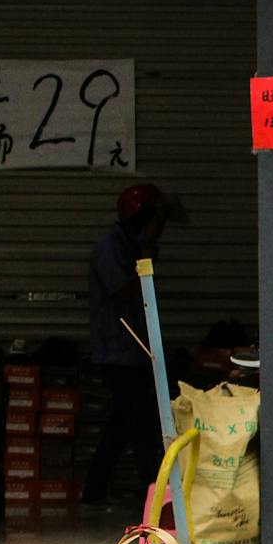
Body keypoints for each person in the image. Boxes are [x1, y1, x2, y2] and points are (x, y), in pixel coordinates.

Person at [82, 183, 169, 505]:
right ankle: (154, 490)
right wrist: (147, 264)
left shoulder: (130, 245)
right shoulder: (112, 246)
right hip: (117, 350)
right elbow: (123, 290)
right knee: (140, 421)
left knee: (124, 422)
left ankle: (95, 490)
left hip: (133, 351)